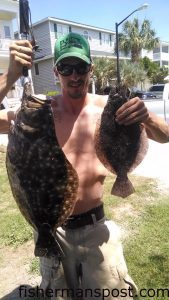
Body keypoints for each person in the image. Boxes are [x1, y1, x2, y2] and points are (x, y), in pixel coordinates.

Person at [1, 33, 169, 300]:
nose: (74, 75)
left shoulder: (110, 109)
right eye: (66, 67)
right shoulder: (38, 112)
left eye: (80, 67)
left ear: (90, 68)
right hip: (51, 229)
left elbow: (165, 135)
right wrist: (10, 76)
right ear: (56, 71)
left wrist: (146, 116)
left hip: (96, 229)